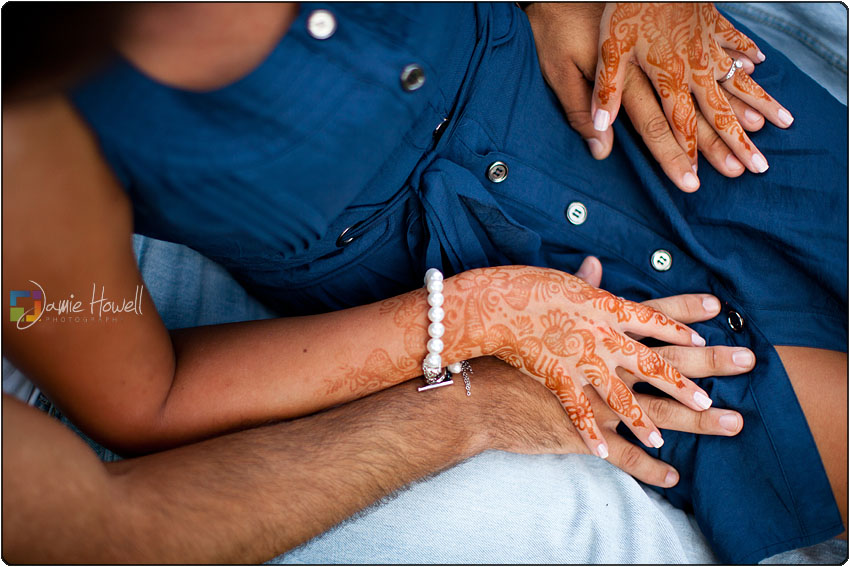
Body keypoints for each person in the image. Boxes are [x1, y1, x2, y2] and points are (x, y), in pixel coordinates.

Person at [3, 2, 846, 563]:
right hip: (477, 281)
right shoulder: (26, 128)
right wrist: (472, 317)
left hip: (628, 79)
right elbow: (144, 397)